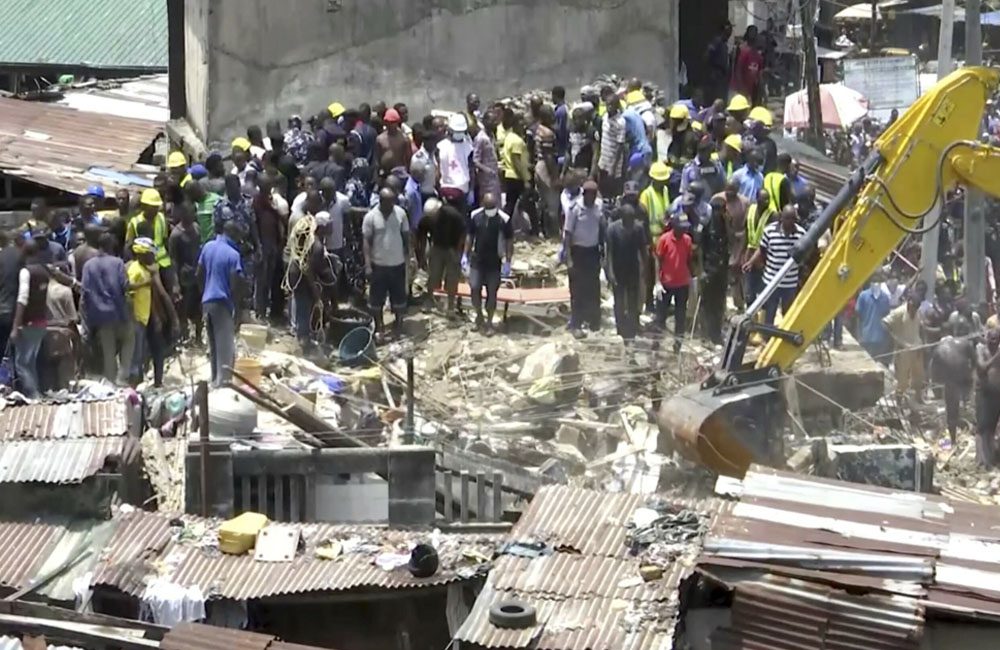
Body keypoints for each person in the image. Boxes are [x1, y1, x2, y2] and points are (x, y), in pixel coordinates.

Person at [81, 233, 132, 385]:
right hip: (118, 312)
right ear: (111, 246)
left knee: (108, 350)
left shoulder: (88, 265)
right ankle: (123, 376)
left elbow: (85, 292)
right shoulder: (118, 263)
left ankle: (111, 382)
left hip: (99, 315)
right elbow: (125, 286)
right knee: (129, 340)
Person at [198, 221, 244, 388]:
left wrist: (204, 292)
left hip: (207, 301)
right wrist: (237, 309)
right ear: (234, 235)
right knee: (225, 347)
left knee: (214, 345)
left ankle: (214, 381)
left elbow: (199, 273)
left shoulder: (207, 247)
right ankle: (223, 386)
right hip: (222, 302)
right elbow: (235, 283)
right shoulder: (233, 255)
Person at [744, 205, 806, 327]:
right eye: (787, 218)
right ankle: (766, 338)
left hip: (789, 283)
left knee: (787, 313)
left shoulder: (801, 234)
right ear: (781, 218)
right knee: (769, 312)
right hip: (771, 281)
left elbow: (805, 256)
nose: (790, 221)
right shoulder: (770, 231)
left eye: (793, 218)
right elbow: (761, 250)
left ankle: (785, 337)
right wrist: (751, 262)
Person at [363, 188, 410, 341]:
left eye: (393, 202)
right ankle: (379, 327)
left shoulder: (400, 214)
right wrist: (368, 265)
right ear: (381, 201)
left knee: (399, 298)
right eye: (388, 202)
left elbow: (406, 237)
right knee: (376, 300)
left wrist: (409, 257)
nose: (391, 205)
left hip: (397, 264)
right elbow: (366, 242)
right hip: (379, 265)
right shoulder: (371, 217)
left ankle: (398, 326)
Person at [290, 212, 339, 353]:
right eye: (330, 226)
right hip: (301, 277)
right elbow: (308, 270)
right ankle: (303, 344)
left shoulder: (316, 240)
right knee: (304, 307)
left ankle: (305, 338)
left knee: (305, 307)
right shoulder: (316, 245)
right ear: (323, 227)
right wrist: (316, 292)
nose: (332, 228)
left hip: (300, 275)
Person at [465, 193, 514, 333]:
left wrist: (508, 262)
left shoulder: (504, 219)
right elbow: (470, 236)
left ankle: (489, 322)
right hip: (477, 260)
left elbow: (509, 241)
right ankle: (479, 316)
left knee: (492, 293)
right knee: (474, 288)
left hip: (494, 262)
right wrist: (465, 255)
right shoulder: (476, 216)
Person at [564, 180, 604, 336]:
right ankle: (576, 324)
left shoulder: (599, 206)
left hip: (593, 252)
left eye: (595, 195)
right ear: (584, 194)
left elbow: (600, 227)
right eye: (590, 195)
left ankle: (594, 321)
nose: (593, 198)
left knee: (593, 287)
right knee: (577, 290)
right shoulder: (574, 209)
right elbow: (567, 234)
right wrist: (568, 258)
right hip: (578, 252)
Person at [605, 204, 648, 342]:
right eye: (627, 219)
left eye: (631, 219)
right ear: (622, 218)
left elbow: (643, 250)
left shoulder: (638, 228)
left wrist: (645, 269)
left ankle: (632, 327)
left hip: (633, 268)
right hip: (618, 268)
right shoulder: (613, 229)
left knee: (633, 299)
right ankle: (620, 327)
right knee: (619, 300)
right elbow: (609, 252)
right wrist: (610, 271)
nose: (630, 221)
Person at [655, 215, 694, 352]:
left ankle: (677, 346)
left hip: (682, 284)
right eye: (681, 227)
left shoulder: (687, 240)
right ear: (674, 226)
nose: (683, 230)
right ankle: (656, 343)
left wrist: (691, 277)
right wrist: (657, 282)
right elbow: (658, 260)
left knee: (680, 316)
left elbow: (689, 260)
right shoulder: (664, 239)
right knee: (660, 316)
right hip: (666, 283)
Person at [252, 175, 289, 322]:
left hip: (273, 243)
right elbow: (254, 225)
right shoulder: (257, 202)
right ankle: (260, 312)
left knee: (270, 279)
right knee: (261, 280)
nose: (269, 189)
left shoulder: (271, 201)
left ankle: (266, 310)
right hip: (263, 245)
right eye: (266, 186)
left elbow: (278, 222)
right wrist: (258, 246)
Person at [423, 200, 466, 318]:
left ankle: (451, 306)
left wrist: (458, 251)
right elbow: (422, 232)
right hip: (437, 247)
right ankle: (430, 300)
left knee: (452, 278)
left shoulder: (453, 214)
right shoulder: (429, 218)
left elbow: (463, 233)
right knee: (433, 275)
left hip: (452, 248)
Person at [169, 202, 203, 344]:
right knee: (183, 309)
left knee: (199, 309)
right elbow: (173, 260)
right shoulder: (176, 235)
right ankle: (183, 336)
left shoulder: (196, 228)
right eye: (191, 213)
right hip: (184, 276)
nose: (193, 215)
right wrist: (175, 283)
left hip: (197, 274)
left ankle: (199, 337)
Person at [699, 196, 730, 343]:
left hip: (722, 269)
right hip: (708, 268)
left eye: (723, 210)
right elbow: (699, 249)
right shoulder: (705, 224)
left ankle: (716, 334)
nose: (721, 213)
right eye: (718, 210)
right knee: (706, 304)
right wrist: (701, 271)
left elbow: (728, 243)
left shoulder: (726, 224)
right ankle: (705, 335)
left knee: (719, 303)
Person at [741, 188, 773, 305]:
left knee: (763, 291)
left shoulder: (772, 215)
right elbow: (746, 230)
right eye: (764, 199)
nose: (767, 202)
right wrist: (742, 253)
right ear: (757, 199)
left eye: (768, 199)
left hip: (764, 257)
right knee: (749, 292)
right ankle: (750, 316)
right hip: (749, 254)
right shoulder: (751, 210)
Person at [437, 114, 475, 209]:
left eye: (461, 131)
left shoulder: (468, 148)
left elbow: (472, 170)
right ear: (450, 130)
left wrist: (471, 190)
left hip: (463, 190)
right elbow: (437, 169)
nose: (459, 133)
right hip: (445, 188)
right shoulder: (441, 147)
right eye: (457, 131)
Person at [855, 275, 893, 364]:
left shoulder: (885, 298)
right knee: (865, 362)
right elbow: (858, 316)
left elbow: (886, 317)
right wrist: (858, 335)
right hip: (866, 336)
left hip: (880, 338)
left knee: (876, 362)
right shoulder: (863, 296)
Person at [976, 327, 1000, 466]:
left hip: (997, 393)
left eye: (995, 340)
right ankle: (982, 460)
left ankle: (992, 457)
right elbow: (982, 368)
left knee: (992, 427)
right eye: (990, 340)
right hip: (985, 393)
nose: (992, 343)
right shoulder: (981, 350)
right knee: (983, 427)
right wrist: (996, 357)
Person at [500, 110, 530, 220]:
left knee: (510, 204)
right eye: (521, 122)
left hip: (509, 175)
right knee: (521, 203)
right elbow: (516, 160)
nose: (524, 125)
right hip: (516, 176)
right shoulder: (517, 141)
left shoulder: (509, 137)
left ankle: (507, 227)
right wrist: (525, 179)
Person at [597, 96, 627, 198]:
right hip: (603, 161)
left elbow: (620, 145)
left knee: (613, 191)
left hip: (613, 163)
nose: (609, 107)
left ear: (616, 106)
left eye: (611, 105)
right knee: (602, 189)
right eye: (607, 104)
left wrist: (613, 167)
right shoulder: (605, 117)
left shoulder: (620, 122)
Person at [471, 111, 501, 204]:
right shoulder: (481, 138)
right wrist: (487, 170)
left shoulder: (491, 135)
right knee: (487, 202)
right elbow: (475, 160)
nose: (495, 123)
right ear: (485, 122)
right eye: (492, 121)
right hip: (486, 180)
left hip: (494, 177)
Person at [732, 26, 764, 103]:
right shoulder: (742, 50)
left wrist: (761, 91)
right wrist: (741, 89)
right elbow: (738, 71)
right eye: (751, 33)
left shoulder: (758, 56)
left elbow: (759, 75)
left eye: (755, 34)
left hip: (752, 92)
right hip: (740, 90)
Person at [706, 20, 733, 104]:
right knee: (717, 98)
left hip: (722, 75)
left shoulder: (724, 44)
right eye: (729, 29)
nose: (731, 32)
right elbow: (707, 55)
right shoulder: (717, 41)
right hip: (717, 74)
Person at [552, 85, 570, 158]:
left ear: (555, 96)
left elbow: (561, 131)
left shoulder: (561, 111)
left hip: (561, 147)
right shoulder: (560, 108)